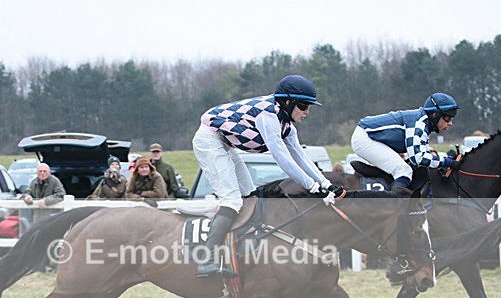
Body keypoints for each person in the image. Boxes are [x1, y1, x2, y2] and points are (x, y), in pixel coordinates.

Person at [192, 74, 343, 277]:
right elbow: (283, 160)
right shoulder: (268, 117)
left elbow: (301, 158)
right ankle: (206, 261)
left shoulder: (287, 126)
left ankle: (240, 248)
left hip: (225, 143)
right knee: (232, 201)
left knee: (251, 195)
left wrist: (325, 183)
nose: (307, 112)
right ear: (288, 102)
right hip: (210, 140)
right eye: (304, 106)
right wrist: (312, 187)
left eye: (309, 107)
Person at [352, 92, 460, 189]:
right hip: (364, 137)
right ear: (434, 114)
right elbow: (419, 158)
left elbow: (424, 155)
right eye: (447, 118)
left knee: (407, 168)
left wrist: (449, 159)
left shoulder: (424, 124)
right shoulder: (419, 123)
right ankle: (396, 203)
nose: (450, 123)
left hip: (369, 135)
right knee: (403, 171)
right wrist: (448, 161)